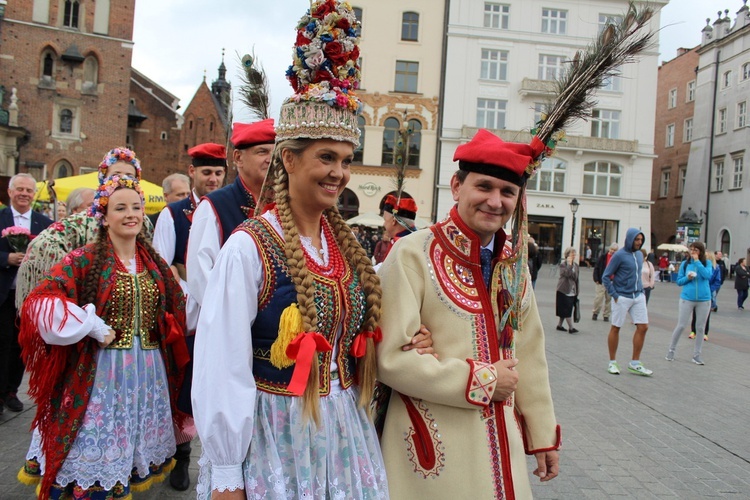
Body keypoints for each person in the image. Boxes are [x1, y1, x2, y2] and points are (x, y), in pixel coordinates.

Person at [191, 3, 434, 497]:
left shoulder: (344, 249)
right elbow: (223, 369)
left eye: (345, 160)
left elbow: (362, 335)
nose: (339, 173)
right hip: (275, 438)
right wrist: (225, 475)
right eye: (326, 157)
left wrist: (412, 341)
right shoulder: (248, 249)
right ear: (289, 158)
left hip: (344, 435)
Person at [378, 129, 560, 499]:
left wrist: (542, 435)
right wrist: (484, 380)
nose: (495, 201)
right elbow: (392, 357)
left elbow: (529, 353)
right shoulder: (413, 253)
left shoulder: (514, 265)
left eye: (508, 192)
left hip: (500, 443)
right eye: (485, 187)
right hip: (431, 446)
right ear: (457, 186)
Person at [17, 175, 188, 499]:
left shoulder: (154, 263)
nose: (131, 214)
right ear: (104, 215)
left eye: (136, 207)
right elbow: (41, 300)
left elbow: (180, 306)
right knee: (98, 446)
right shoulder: (85, 258)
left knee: (129, 448)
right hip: (101, 375)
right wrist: (89, 324)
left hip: (147, 373)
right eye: (120, 207)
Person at [152, 147, 226, 491]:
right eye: (206, 172)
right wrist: (187, 280)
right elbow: (160, 266)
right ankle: (181, 458)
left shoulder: (232, 208)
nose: (213, 179)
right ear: (192, 172)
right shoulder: (174, 214)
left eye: (218, 173)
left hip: (225, 318)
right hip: (187, 321)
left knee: (216, 394)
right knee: (182, 392)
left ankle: (217, 461)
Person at [15, 148, 154, 310]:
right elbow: (43, 247)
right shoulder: (85, 219)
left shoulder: (144, 222)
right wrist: (72, 274)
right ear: (103, 180)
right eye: (116, 175)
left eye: (130, 176)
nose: (123, 180)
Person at [186, 118, 276, 321]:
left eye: (275, 152)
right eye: (262, 152)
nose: (271, 159)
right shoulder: (214, 206)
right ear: (238, 158)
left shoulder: (284, 204)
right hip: (231, 322)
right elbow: (201, 278)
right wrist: (236, 317)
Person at [0, 173, 53, 414]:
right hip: (4, 293)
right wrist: (6, 258)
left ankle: (12, 390)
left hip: (31, 296)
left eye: (28, 190)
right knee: (2, 342)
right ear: (10, 192)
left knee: (21, 345)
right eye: (19, 189)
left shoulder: (44, 223)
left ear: (34, 194)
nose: (24, 193)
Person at [602, 229, 652, 376]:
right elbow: (606, 276)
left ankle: (635, 363)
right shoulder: (619, 255)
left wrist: (641, 290)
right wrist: (615, 295)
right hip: (622, 296)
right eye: (636, 239)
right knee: (616, 327)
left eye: (641, 239)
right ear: (630, 239)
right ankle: (612, 362)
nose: (639, 242)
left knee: (643, 327)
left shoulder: (638, 255)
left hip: (638, 295)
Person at [665, 242, 712, 365]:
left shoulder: (707, 263)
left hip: (704, 299)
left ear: (701, 251)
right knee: (681, 325)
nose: (693, 252)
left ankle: (697, 355)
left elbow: (707, 275)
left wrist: (697, 262)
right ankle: (671, 350)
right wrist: (688, 278)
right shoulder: (685, 264)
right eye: (691, 250)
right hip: (687, 298)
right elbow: (679, 281)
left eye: (695, 250)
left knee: (700, 327)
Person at [689, 251, 720, 342]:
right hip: (699, 292)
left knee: (706, 314)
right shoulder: (700, 266)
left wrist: (710, 289)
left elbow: (717, 281)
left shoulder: (716, 268)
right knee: (695, 313)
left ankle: (705, 333)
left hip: (708, 292)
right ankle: (693, 331)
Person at [555, 247, 580, 333]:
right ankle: (571, 327)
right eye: (571, 254)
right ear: (567, 255)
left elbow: (576, 278)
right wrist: (569, 265)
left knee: (566, 308)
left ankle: (559, 325)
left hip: (572, 290)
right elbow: (566, 274)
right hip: (563, 289)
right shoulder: (563, 264)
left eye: (574, 254)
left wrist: (577, 291)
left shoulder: (576, 266)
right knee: (566, 309)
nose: (573, 256)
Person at [592, 243, 618, 321]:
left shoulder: (617, 259)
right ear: (609, 249)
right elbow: (596, 267)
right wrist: (596, 278)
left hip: (612, 281)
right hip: (601, 280)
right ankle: (595, 312)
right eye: (611, 249)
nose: (612, 251)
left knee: (609, 299)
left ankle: (606, 315)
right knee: (599, 298)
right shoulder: (603, 257)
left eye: (614, 250)